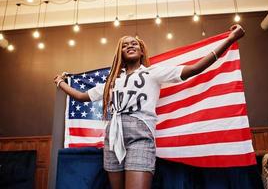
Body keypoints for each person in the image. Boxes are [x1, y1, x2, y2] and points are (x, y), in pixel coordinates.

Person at [54, 24, 245, 189]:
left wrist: (230, 39)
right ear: (120, 53)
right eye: (125, 45)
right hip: (113, 136)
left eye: (134, 43)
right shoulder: (112, 81)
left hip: (140, 136)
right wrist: (61, 82)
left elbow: (195, 68)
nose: (130, 46)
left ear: (142, 51)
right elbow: (81, 96)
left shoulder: (153, 73)